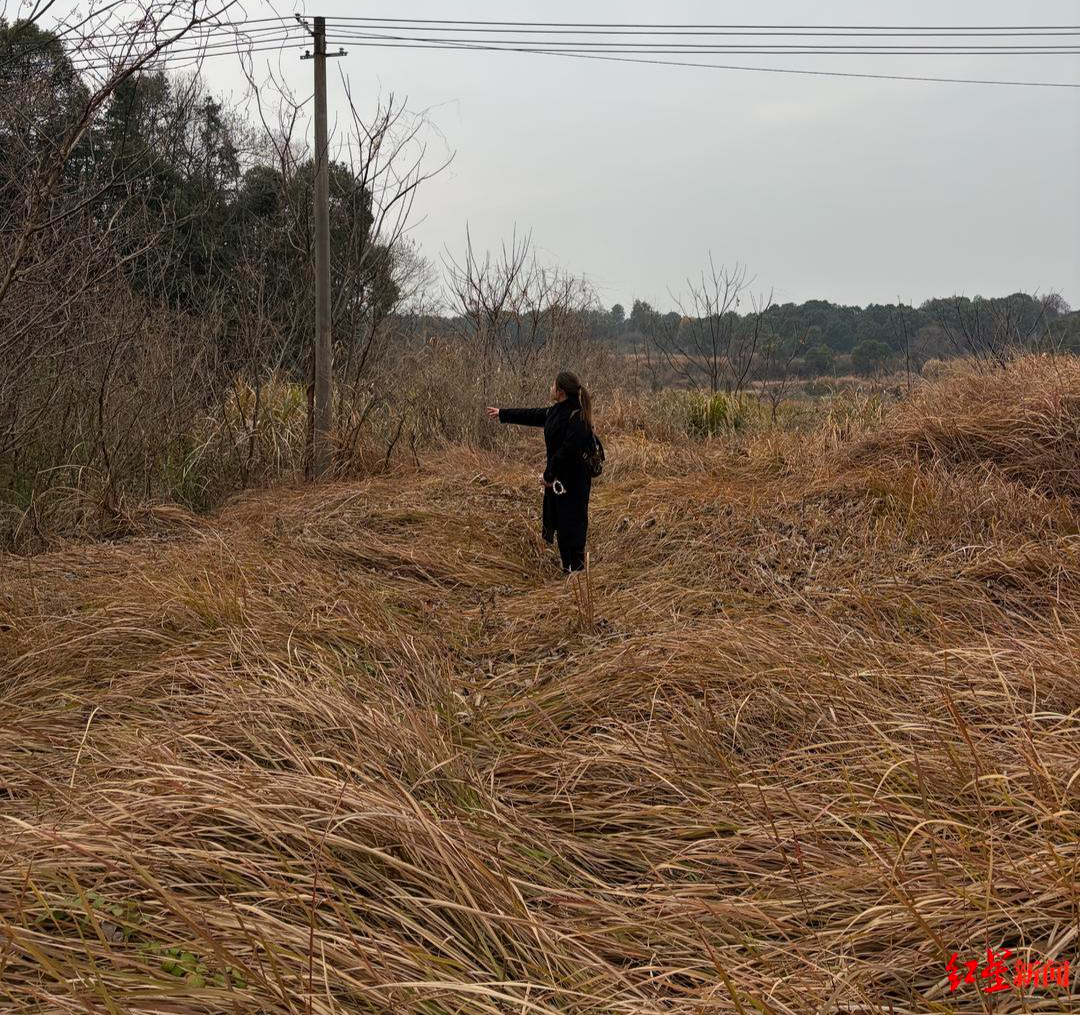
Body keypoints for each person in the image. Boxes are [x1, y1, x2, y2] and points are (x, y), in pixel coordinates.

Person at [486, 371, 594, 573]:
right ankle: (568, 571)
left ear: (560, 391)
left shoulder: (578, 416)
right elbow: (531, 414)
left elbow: (567, 451)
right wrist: (503, 413)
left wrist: (548, 475)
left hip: (575, 482)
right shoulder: (555, 411)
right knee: (562, 525)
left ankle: (577, 573)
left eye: (553, 385)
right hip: (558, 482)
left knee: (574, 526)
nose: (550, 388)